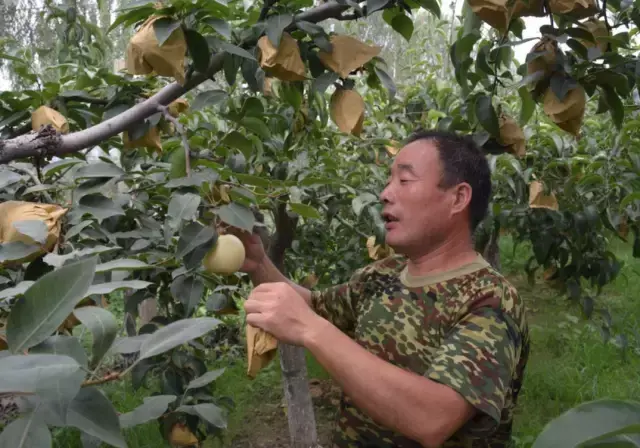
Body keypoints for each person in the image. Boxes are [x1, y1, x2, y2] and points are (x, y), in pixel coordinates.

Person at [236, 130, 530, 448]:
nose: (385, 193)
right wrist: (258, 262)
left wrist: (311, 330)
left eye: (404, 181)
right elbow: (313, 307)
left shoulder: (490, 300)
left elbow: (433, 418)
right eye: (389, 181)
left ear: (458, 198)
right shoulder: (383, 273)